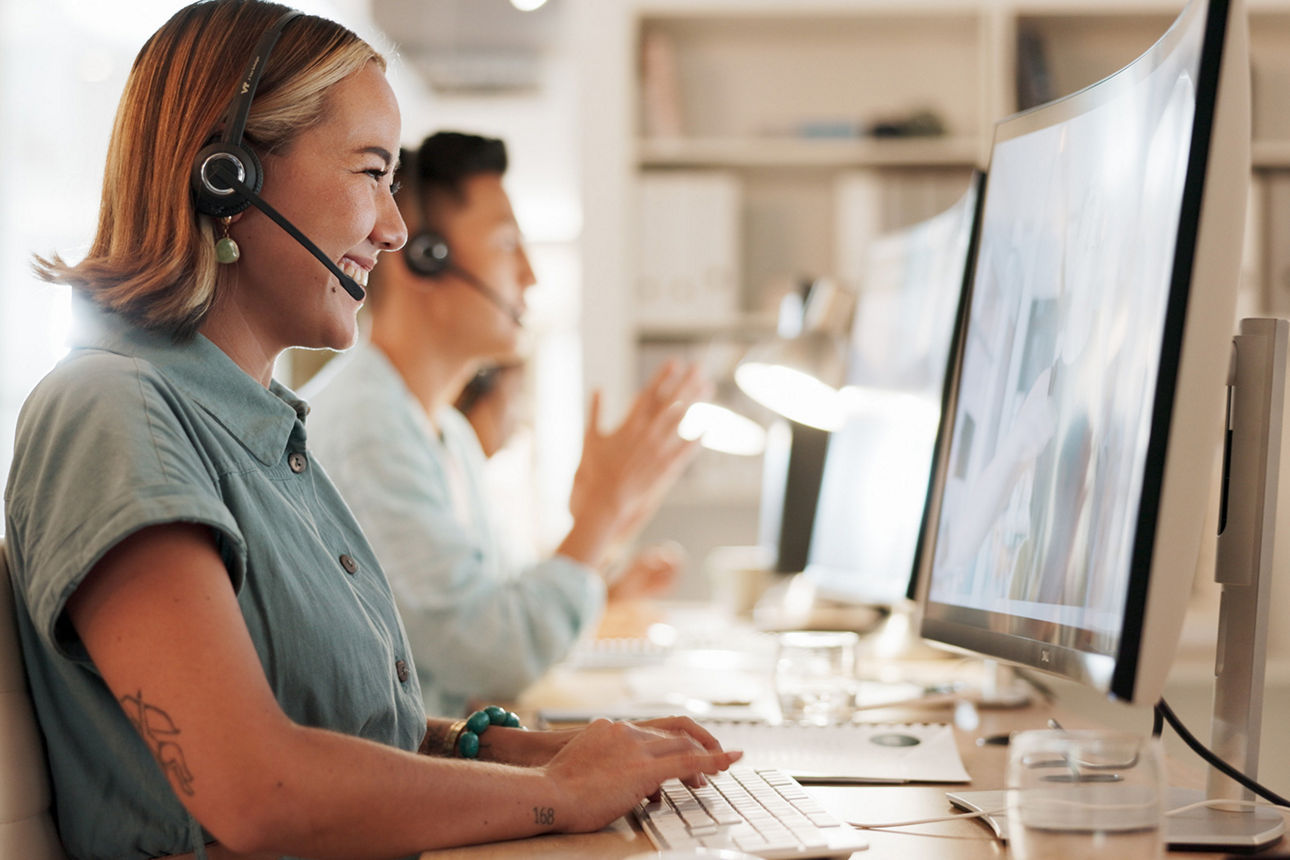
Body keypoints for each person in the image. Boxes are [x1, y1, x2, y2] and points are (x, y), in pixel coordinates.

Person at [2, 3, 738, 858]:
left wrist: (525, 751)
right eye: (371, 173)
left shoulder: (258, 431)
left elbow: (340, 725)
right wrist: (557, 794)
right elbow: (258, 789)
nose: (394, 229)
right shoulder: (111, 412)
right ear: (227, 178)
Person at [304, 131, 707, 716]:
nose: (530, 275)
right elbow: (495, 652)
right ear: (424, 257)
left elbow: (499, 603)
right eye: (507, 244)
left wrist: (606, 537)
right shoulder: (370, 430)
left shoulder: (445, 432)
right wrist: (600, 515)